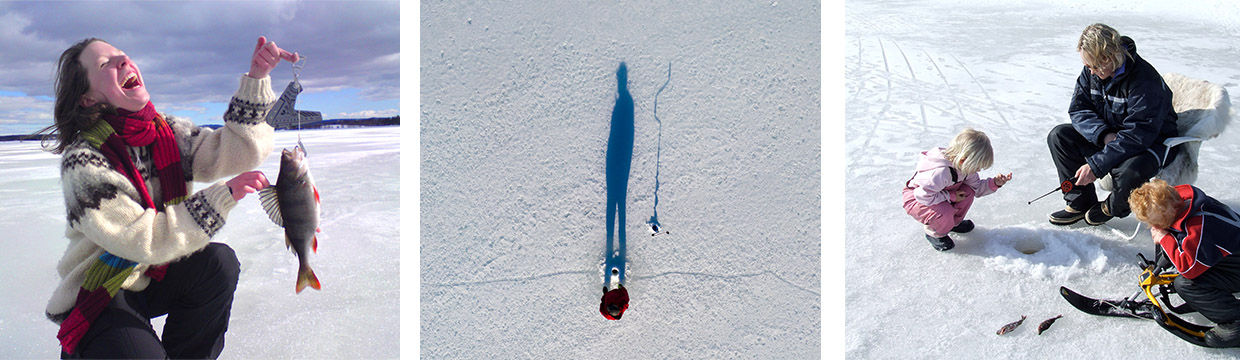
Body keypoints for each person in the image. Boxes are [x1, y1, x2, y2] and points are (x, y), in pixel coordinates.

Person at [42, 36, 298, 359]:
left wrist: (257, 78)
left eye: (122, 55)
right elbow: (141, 238)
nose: (123, 61)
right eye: (105, 64)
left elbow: (236, 151)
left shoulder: (166, 132)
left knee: (218, 265)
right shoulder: (84, 160)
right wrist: (221, 197)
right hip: (103, 288)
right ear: (88, 99)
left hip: (151, 274)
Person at [1047, 23, 1179, 226]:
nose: (1089, 72)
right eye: (1087, 66)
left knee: (1129, 171)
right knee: (1060, 136)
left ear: (1108, 58)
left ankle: (1112, 206)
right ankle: (1080, 202)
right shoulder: (1092, 73)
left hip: (1151, 143)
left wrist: (1096, 165)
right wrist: (1104, 135)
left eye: (1093, 66)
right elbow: (1079, 109)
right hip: (1113, 135)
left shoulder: (1145, 81)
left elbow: (1139, 134)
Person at [1129, 179, 1240, 347]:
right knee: (1166, 235)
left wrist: (1165, 238)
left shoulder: (1197, 226)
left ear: (1172, 209)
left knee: (1186, 284)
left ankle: (1234, 321)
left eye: (1156, 221)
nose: (1153, 226)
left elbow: (1188, 268)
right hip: (1230, 258)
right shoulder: (1182, 202)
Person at [902, 128, 1012, 251]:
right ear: (964, 160)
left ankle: (951, 223)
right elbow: (923, 196)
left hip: (938, 195)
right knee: (945, 211)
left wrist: (995, 183)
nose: (978, 171)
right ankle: (934, 231)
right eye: (977, 167)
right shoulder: (940, 173)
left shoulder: (965, 169)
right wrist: (951, 196)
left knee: (968, 191)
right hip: (917, 200)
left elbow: (977, 188)